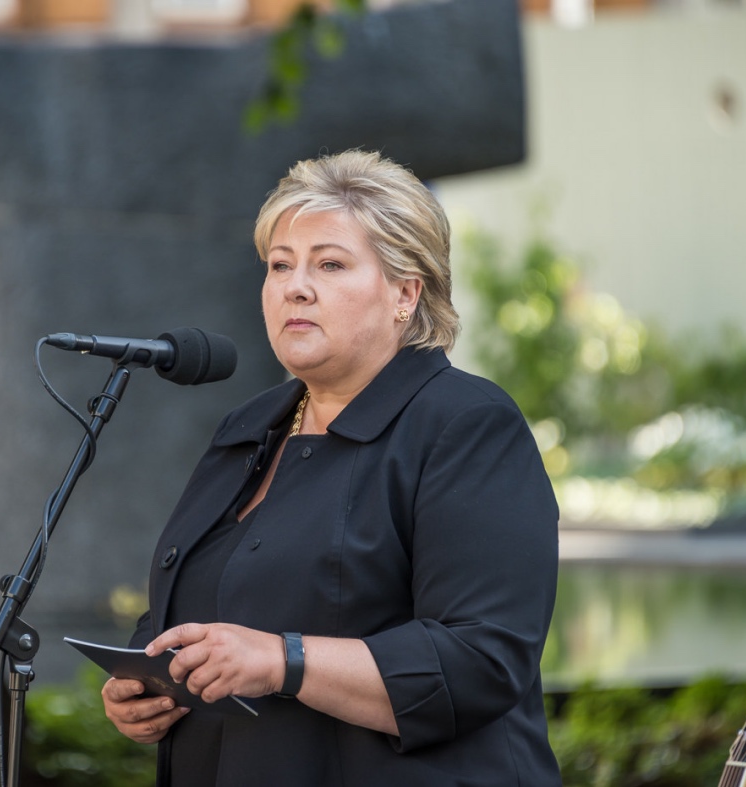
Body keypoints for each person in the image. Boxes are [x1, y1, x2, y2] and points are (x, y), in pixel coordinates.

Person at [101, 149, 562, 786]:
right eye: (280, 265)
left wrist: (282, 660)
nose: (295, 285)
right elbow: (199, 605)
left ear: (405, 292)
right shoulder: (247, 430)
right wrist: (149, 679)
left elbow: (482, 659)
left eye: (331, 264)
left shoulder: (466, 425)